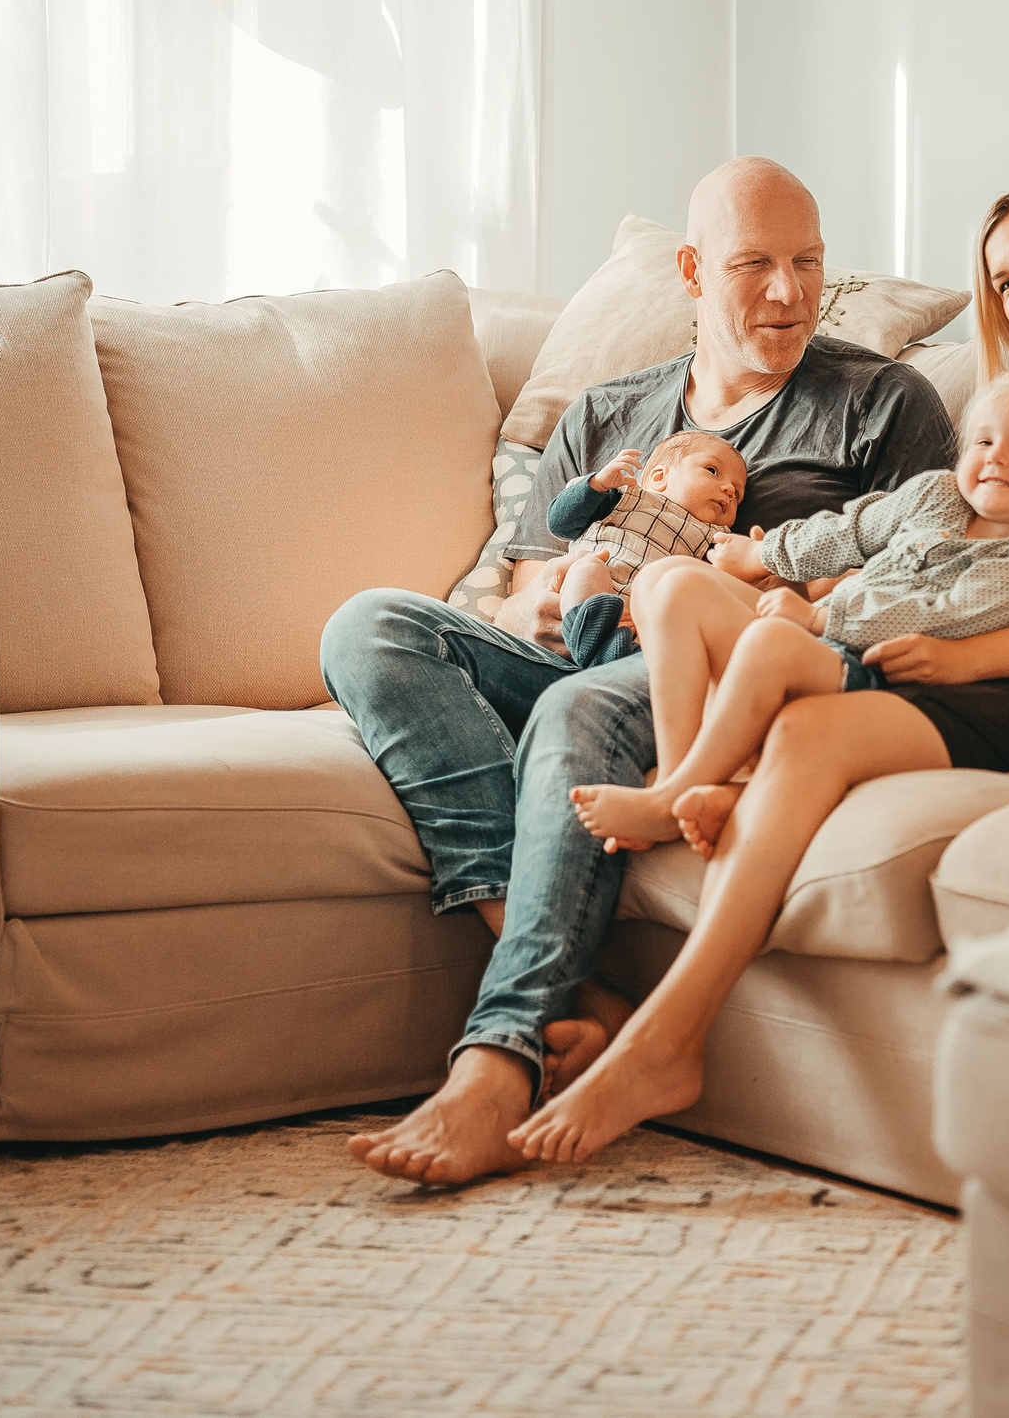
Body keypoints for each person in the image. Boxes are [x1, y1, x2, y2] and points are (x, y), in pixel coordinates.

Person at [501, 180, 1009, 1165]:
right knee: (732, 640)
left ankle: (660, 1038)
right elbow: (881, 535)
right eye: (1000, 277)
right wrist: (771, 569)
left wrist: (965, 658)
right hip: (966, 655)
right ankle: (676, 931)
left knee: (809, 722)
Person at [319, 156, 957, 1185]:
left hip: (725, 677)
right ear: (695, 272)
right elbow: (528, 594)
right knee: (371, 625)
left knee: (574, 708)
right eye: (756, 265)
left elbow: (898, 595)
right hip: (588, 649)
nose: (789, 293)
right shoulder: (608, 416)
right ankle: (573, 993)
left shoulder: (881, 405)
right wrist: (552, 596)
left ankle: (499, 1055)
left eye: (808, 264)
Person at [561, 364, 1009, 857]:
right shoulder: (937, 495)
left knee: (772, 640)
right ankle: (683, 774)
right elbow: (847, 532)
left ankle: (671, 798)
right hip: (819, 642)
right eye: (984, 441)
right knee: (666, 579)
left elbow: (938, 615)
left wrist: (820, 618)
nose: (996, 456)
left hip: (876, 679)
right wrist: (761, 552)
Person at [544, 430, 747, 670]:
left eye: (738, 493)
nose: (729, 490)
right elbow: (560, 525)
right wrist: (597, 485)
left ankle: (619, 652)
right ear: (660, 477)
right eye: (712, 471)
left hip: (641, 621)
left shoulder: (715, 538)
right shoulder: (622, 497)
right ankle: (594, 641)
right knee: (588, 567)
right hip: (594, 592)